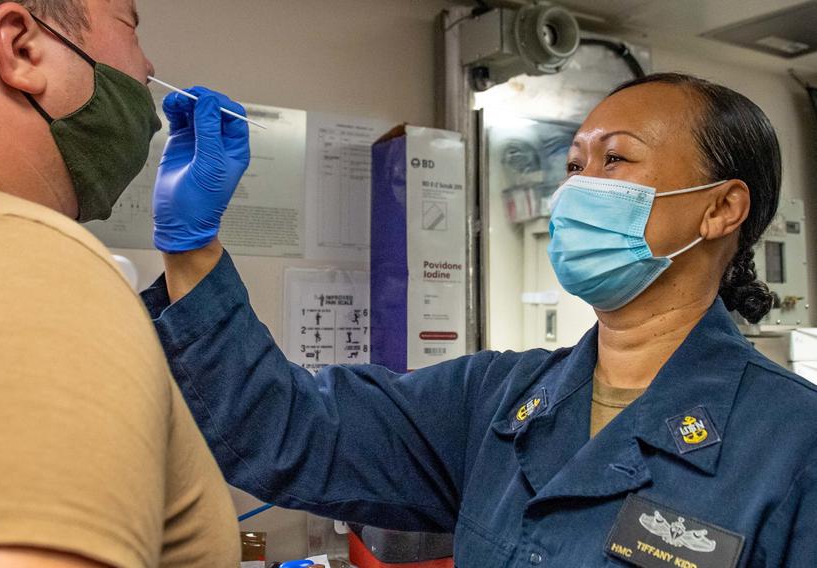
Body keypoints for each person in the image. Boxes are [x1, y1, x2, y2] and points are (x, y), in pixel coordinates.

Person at [145, 73, 817, 567]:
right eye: (575, 165)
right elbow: (287, 430)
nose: (577, 190)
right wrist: (191, 243)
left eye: (615, 159)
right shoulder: (496, 403)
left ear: (721, 209)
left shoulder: (794, 442)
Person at [0, 1, 245, 566]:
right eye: (130, 28)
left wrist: (191, 249)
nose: (147, 66)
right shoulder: (14, 256)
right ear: (22, 47)